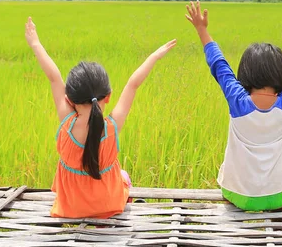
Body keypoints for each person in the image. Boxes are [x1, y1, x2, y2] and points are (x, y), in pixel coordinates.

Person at [185, 1, 282, 211]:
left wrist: (201, 29)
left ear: (245, 73)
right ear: (281, 73)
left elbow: (219, 64)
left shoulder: (237, 100)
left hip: (240, 196)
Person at [25, 17, 176, 218]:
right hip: (108, 206)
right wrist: (154, 56)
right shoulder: (112, 127)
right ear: (108, 96)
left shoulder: (67, 122)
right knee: (123, 177)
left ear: (69, 99)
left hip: (71, 209)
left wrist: (35, 43)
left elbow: (54, 77)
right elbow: (133, 84)